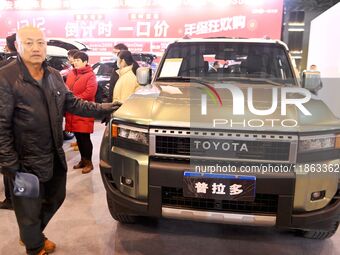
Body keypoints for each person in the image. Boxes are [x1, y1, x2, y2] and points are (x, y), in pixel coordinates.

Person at [0, 26, 120, 255]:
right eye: (29, 42)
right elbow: (1, 126)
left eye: (40, 42)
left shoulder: (54, 76)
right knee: (27, 208)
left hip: (53, 154)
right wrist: (9, 164)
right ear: (17, 46)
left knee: (56, 196)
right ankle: (35, 247)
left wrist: (103, 108)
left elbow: (73, 103)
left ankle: (30, 234)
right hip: (23, 163)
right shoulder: (5, 78)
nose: (36, 48)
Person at [65, 51, 97, 174]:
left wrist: (74, 100)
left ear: (85, 62)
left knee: (85, 137)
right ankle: (83, 160)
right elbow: (66, 89)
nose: (75, 62)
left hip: (84, 110)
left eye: (78, 60)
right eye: (74, 60)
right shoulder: (71, 73)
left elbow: (90, 93)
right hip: (73, 110)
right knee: (78, 137)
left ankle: (89, 163)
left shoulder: (90, 75)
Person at [0, 33, 17, 210]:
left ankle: (11, 200)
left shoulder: (3, 66)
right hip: (26, 126)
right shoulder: (33, 67)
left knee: (8, 162)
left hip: (7, 125)